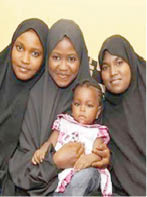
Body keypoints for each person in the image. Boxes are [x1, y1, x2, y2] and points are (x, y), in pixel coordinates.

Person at [9, 19, 110, 196]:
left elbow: (100, 155)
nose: (63, 67)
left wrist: (101, 158)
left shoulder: (93, 97)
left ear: (81, 58)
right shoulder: (33, 95)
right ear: (47, 57)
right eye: (56, 57)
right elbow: (19, 167)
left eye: (71, 59)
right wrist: (54, 162)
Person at [32, 80, 112, 196]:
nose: (82, 109)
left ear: (98, 112)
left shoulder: (97, 132)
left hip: (85, 171)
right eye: (77, 104)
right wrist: (42, 150)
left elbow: (99, 155)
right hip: (62, 172)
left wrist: (91, 158)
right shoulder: (63, 123)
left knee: (83, 177)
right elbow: (50, 142)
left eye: (89, 106)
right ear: (72, 105)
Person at [0, 18, 49, 195]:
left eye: (35, 53)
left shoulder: (45, 99)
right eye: (20, 48)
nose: (25, 60)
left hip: (17, 184)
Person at [98, 35, 146, 196]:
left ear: (131, 63)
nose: (113, 72)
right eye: (105, 67)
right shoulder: (102, 112)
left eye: (119, 63)